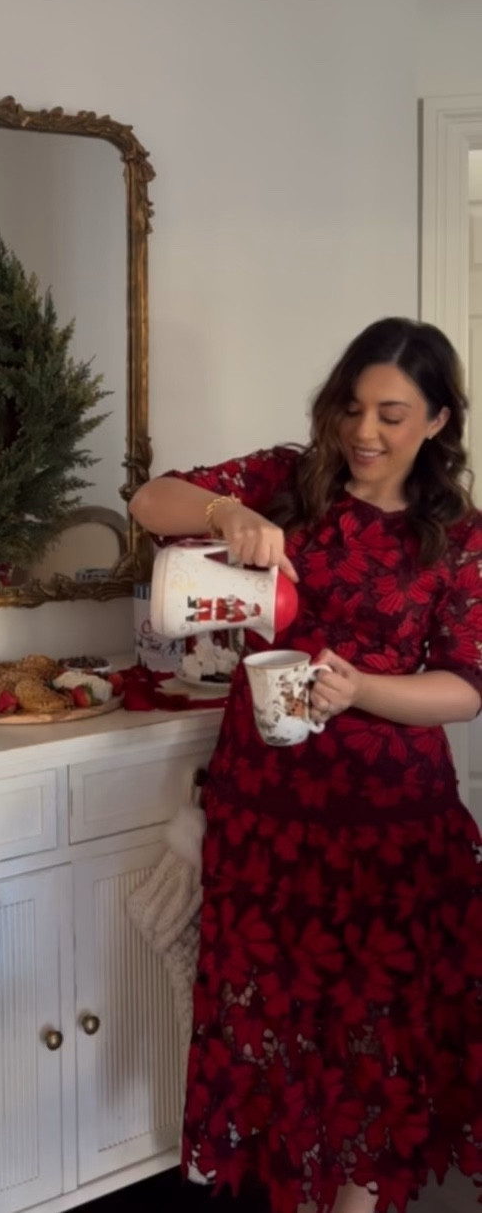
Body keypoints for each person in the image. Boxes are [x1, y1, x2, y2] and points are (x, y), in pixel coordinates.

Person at [128, 317, 482, 1213]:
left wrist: (362, 690)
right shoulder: (290, 480)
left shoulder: (459, 537)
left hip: (389, 828)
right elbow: (148, 502)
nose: (364, 433)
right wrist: (228, 513)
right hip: (268, 813)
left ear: (438, 421)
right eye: (351, 408)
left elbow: (466, 687)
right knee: (280, 1031)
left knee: (375, 1045)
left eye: (393, 415)